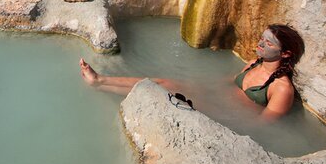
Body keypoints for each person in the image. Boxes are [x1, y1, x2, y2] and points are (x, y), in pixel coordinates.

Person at [79, 24, 305, 119]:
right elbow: (227, 82)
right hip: (216, 98)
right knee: (162, 81)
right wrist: (201, 86)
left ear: (285, 54)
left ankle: (100, 84)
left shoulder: (281, 88)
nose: (261, 44)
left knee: (162, 89)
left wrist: (220, 113)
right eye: (262, 38)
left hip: (227, 113)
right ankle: (100, 80)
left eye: (269, 43)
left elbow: (263, 126)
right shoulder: (253, 63)